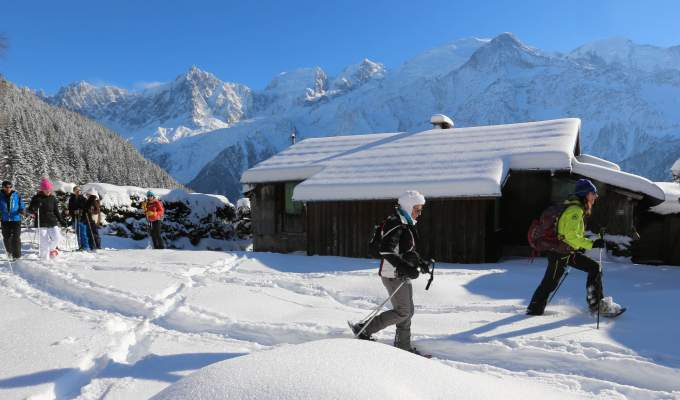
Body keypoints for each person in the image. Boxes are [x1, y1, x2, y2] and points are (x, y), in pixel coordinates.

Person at [350, 190, 431, 354]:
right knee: (403, 312)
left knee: (408, 311)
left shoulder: (405, 222)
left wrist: (419, 262)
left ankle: (403, 346)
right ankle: (365, 329)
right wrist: (406, 268)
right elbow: (386, 251)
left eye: (421, 209)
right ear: (408, 207)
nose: (420, 213)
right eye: (418, 209)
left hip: (401, 273)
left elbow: (407, 249)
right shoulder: (396, 224)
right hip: (392, 273)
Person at [527, 179, 623, 316]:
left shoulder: (577, 209)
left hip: (568, 252)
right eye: (593, 193)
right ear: (585, 194)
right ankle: (533, 311)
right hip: (559, 254)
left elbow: (571, 235)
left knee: (594, 268)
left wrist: (585, 244)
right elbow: (570, 236)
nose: (596, 196)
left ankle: (596, 305)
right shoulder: (575, 211)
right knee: (549, 283)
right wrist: (592, 244)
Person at [28, 178, 66, 260]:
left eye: (49, 189)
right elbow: (30, 210)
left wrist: (61, 221)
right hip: (41, 222)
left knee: (57, 238)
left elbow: (56, 211)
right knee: (44, 242)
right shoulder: (36, 198)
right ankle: (44, 258)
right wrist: (35, 206)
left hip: (52, 221)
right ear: (42, 190)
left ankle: (52, 249)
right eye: (46, 189)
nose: (48, 191)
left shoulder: (52, 198)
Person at [0, 180, 26, 260]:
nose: (8, 188)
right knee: (6, 238)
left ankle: (17, 256)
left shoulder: (16, 195)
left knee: (16, 237)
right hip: (5, 219)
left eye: (10, 187)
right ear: (3, 187)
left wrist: (22, 210)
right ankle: (9, 252)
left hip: (16, 219)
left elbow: (21, 204)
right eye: (6, 187)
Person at [66, 186, 87, 250]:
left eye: (79, 190)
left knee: (83, 233)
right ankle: (80, 246)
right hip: (75, 217)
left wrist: (80, 210)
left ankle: (85, 247)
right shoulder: (71, 199)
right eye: (76, 190)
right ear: (74, 191)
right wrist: (69, 212)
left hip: (82, 218)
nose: (78, 192)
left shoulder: (83, 198)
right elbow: (70, 208)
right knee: (78, 233)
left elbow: (86, 208)